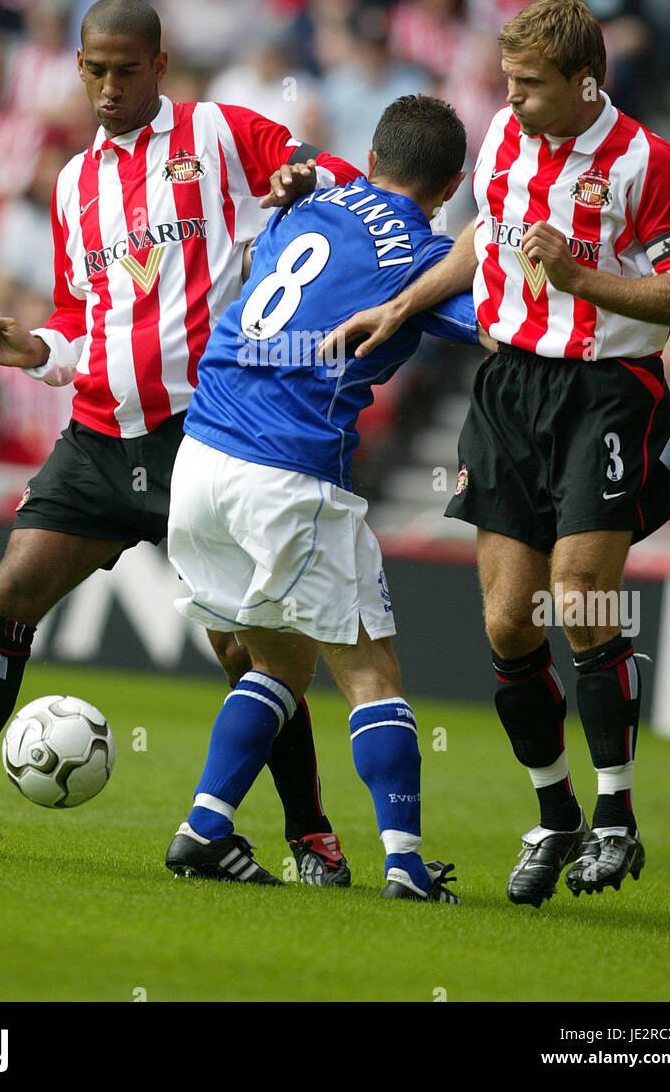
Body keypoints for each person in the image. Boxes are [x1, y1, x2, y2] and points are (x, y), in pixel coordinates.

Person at [0, 0, 361, 887]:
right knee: (8, 593)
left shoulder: (221, 133)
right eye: (93, 69)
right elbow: (77, 312)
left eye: (125, 69)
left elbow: (326, 172)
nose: (108, 85)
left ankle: (310, 837)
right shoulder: (72, 182)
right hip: (101, 432)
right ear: (78, 66)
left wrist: (303, 185)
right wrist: (34, 348)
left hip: (207, 434)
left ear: (159, 63)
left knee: (245, 650)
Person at [320, 0, 670, 907]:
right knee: (506, 621)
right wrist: (402, 302)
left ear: (584, 83)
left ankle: (615, 814)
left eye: (528, 85)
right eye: (508, 81)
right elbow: (481, 238)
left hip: (604, 393)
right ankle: (555, 813)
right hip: (508, 393)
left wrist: (576, 277)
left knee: (578, 590)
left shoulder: (647, 163)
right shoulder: (502, 134)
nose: (511, 96)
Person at [164, 95, 482, 897]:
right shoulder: (420, 254)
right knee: (370, 671)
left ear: (371, 159)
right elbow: (495, 322)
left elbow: (273, 246)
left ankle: (204, 827)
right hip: (285, 470)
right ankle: (405, 863)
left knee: (275, 660)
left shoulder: (304, 201)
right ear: (447, 187)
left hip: (199, 456)